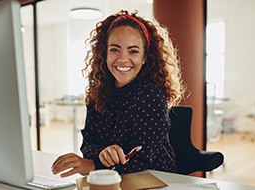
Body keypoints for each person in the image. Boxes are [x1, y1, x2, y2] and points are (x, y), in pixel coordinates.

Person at [51, 10, 184, 178]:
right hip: (112, 178)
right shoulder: (98, 92)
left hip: (155, 179)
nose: (122, 59)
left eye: (133, 51)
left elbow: (142, 160)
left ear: (145, 56)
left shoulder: (151, 95)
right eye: (114, 50)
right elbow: (88, 144)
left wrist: (93, 164)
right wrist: (102, 153)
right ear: (104, 53)